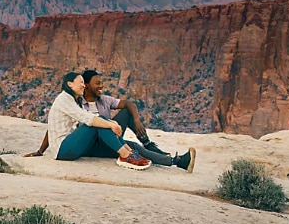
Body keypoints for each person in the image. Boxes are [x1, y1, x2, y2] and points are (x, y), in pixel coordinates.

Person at [29, 71, 196, 172]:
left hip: (87, 144)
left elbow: (55, 127)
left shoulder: (77, 100)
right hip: (66, 149)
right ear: (69, 84)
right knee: (98, 121)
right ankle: (125, 155)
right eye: (81, 83)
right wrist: (110, 124)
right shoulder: (65, 99)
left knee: (134, 146)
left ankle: (177, 161)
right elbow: (87, 120)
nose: (83, 86)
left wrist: (40, 151)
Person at [25, 69, 167, 156]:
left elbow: (128, 103)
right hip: (91, 143)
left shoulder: (103, 100)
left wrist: (135, 120)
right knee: (99, 120)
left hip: (110, 138)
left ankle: (153, 148)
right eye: (97, 84)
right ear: (86, 86)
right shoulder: (74, 102)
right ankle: (126, 153)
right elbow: (57, 126)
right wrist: (41, 150)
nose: (101, 86)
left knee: (124, 119)